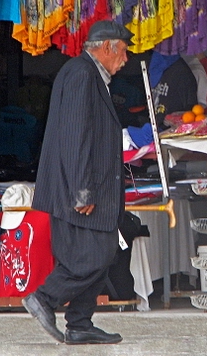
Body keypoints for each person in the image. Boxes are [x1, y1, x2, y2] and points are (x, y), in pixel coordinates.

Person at [22, 20, 133, 345]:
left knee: (102, 253)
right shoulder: (81, 74)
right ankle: (44, 298)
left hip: (87, 189)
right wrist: (81, 190)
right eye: (123, 52)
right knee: (92, 257)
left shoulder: (89, 75)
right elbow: (75, 135)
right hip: (78, 191)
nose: (125, 60)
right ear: (107, 47)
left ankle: (80, 323)